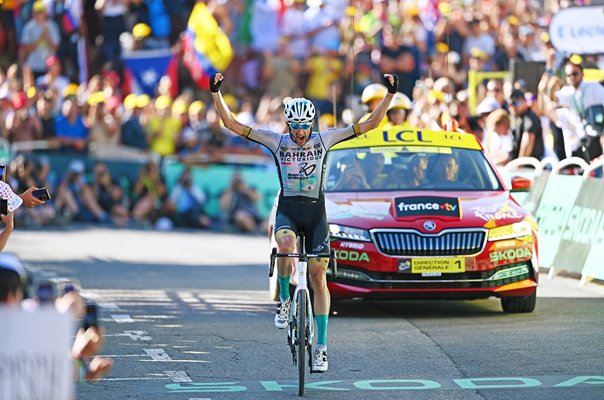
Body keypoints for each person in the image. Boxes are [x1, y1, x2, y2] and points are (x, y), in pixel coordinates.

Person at [210, 71, 398, 372]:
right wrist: (215, 92)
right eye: (295, 126)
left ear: (313, 123)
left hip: (315, 212)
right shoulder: (277, 142)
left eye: (305, 126)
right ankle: (285, 300)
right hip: (288, 208)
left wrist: (390, 94)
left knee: (317, 276)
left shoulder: (325, 139)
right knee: (285, 246)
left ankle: (321, 348)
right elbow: (231, 124)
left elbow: (371, 124)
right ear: (288, 124)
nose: (300, 132)